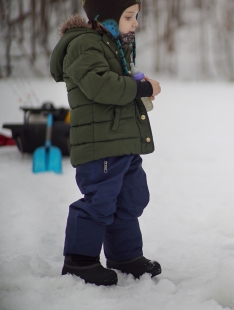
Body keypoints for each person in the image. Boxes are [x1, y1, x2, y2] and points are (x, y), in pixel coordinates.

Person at [50, 0, 162, 286]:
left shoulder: (111, 46)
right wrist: (141, 87)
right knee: (99, 202)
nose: (135, 22)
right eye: (128, 16)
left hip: (122, 142)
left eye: (136, 16)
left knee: (131, 198)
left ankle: (125, 256)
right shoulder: (84, 45)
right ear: (106, 18)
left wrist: (138, 89)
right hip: (100, 144)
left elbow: (114, 85)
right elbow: (100, 85)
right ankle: (80, 261)